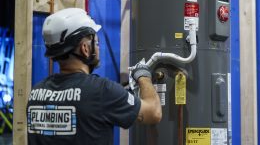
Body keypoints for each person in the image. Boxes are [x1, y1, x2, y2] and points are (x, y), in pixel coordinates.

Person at [27, 8, 162, 145]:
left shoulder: (36, 93)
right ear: (85, 48)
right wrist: (143, 75)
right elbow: (154, 112)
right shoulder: (101, 91)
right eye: (96, 43)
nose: (98, 48)